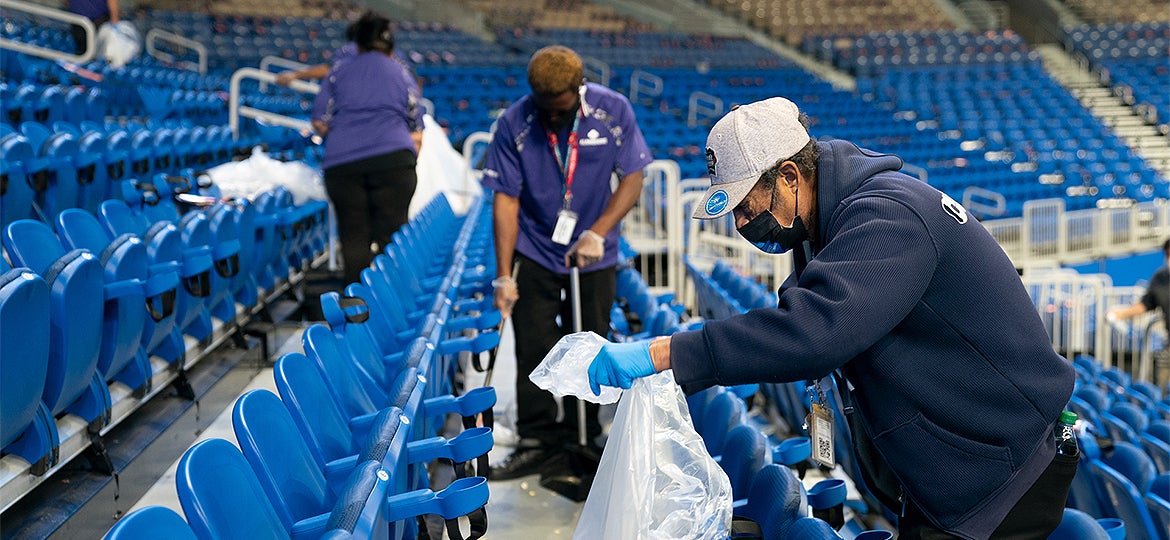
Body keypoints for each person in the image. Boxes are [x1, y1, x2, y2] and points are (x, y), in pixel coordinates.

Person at [587, 97, 1077, 539]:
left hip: (1003, 470)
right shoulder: (826, 223)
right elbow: (795, 311)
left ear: (789, 176)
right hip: (955, 467)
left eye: (747, 206)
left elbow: (812, 334)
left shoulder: (889, 216)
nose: (740, 224)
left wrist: (667, 353)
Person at [483, 45, 652, 479]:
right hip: (535, 248)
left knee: (590, 342)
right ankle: (538, 438)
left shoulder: (613, 110)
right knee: (533, 345)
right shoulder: (514, 123)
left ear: (580, 88)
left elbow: (633, 177)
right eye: (546, 109)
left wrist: (599, 231)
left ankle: (584, 434)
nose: (553, 117)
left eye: (561, 109)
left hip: (594, 251)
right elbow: (506, 200)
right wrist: (503, 275)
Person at [310, 13, 423, 284]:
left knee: (354, 239)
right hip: (394, 161)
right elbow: (415, 121)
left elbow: (319, 121)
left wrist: (345, 134)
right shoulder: (400, 71)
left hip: (343, 163)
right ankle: (393, 302)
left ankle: (355, 304)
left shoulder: (339, 71)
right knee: (392, 240)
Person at [279, 14, 424, 153]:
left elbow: (319, 120)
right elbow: (416, 127)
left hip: (354, 146)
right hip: (390, 147)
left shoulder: (353, 59)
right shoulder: (354, 56)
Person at [1107, 238, 1169, 385]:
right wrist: (1119, 314)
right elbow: (1145, 304)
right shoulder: (1161, 278)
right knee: (1161, 379)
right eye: (1167, 254)